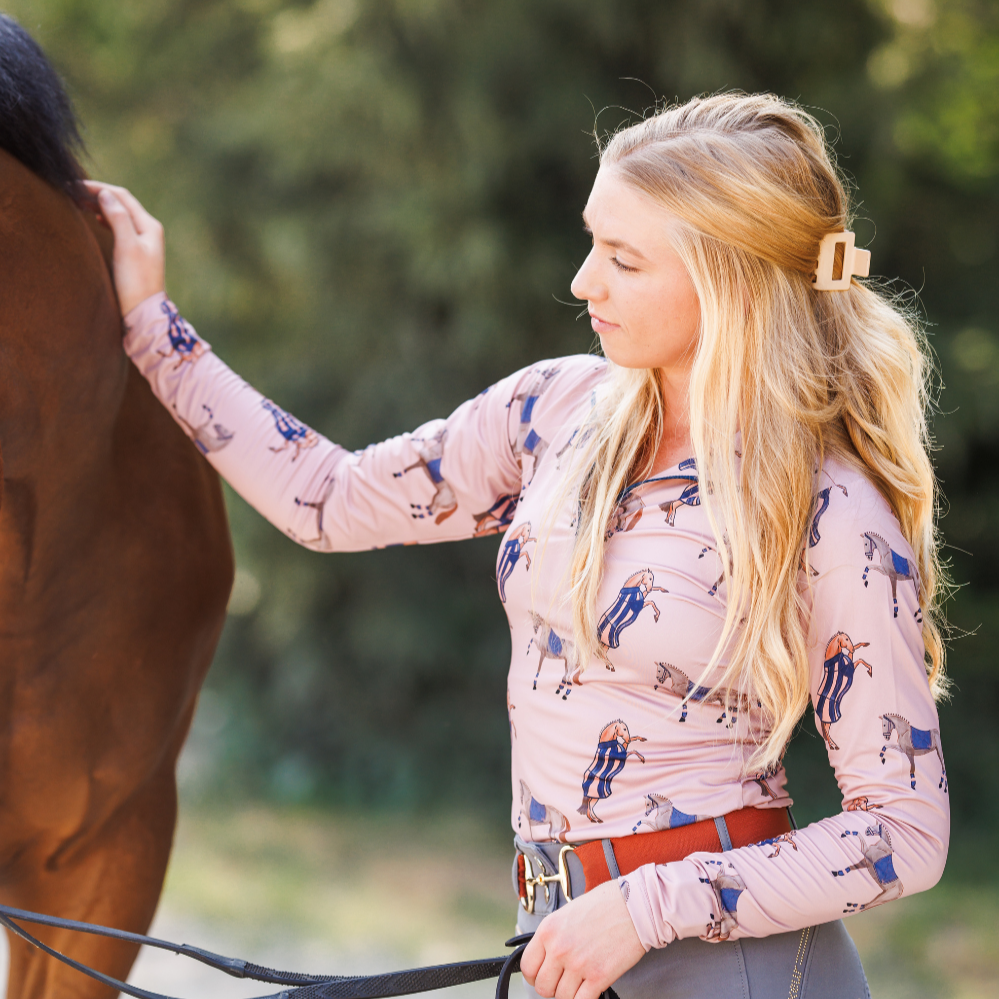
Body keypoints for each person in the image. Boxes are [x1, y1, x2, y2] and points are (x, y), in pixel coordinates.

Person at [87, 93, 949, 999]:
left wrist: (641, 907)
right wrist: (153, 328)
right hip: (561, 941)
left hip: (733, 967)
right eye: (592, 243)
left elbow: (903, 829)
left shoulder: (827, 507)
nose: (584, 281)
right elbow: (329, 500)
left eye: (623, 260)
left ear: (728, 279)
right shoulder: (554, 412)